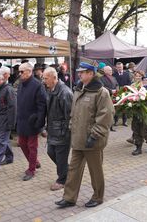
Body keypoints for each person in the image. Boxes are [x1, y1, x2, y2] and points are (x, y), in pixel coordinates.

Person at [55, 62, 114, 208]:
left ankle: (98, 197)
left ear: (91, 73)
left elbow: (106, 116)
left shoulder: (101, 92)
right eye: (79, 72)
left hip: (92, 140)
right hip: (78, 139)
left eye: (82, 72)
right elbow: (74, 113)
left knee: (95, 171)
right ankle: (69, 198)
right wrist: (71, 128)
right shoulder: (78, 89)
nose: (79, 74)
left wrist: (94, 135)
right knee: (73, 170)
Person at [43, 67, 73, 191]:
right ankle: (68, 171)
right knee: (51, 152)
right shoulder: (50, 90)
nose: (44, 81)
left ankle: (62, 180)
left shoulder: (65, 93)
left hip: (62, 131)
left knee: (61, 157)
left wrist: (66, 132)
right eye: (43, 78)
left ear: (54, 78)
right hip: (53, 130)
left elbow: (70, 115)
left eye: (46, 78)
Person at [17, 62, 47, 181]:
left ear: (29, 71)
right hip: (21, 120)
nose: (19, 74)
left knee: (32, 146)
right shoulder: (21, 84)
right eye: (19, 71)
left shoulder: (37, 85)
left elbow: (42, 105)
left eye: (22, 71)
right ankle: (35, 162)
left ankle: (31, 169)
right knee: (22, 143)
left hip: (32, 121)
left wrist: (39, 122)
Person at [100, 66, 119, 132]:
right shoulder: (101, 78)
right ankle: (107, 125)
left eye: (111, 70)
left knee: (113, 111)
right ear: (105, 71)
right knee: (108, 112)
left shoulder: (113, 77)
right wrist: (111, 91)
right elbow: (102, 86)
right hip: (107, 96)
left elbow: (117, 84)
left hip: (114, 96)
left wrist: (117, 90)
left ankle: (111, 126)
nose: (111, 71)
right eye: (109, 70)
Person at [113, 62, 131, 126]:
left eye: (120, 67)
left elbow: (129, 82)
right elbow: (113, 83)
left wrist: (126, 88)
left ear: (122, 67)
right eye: (118, 67)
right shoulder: (114, 74)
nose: (119, 68)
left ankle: (125, 121)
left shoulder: (127, 74)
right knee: (117, 107)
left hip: (125, 92)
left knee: (124, 107)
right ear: (116, 67)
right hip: (117, 93)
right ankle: (116, 121)